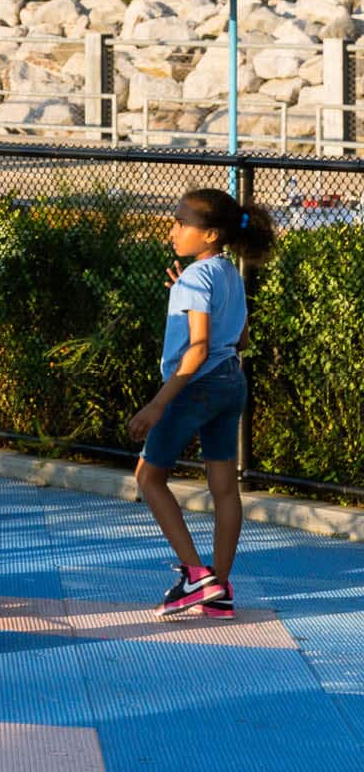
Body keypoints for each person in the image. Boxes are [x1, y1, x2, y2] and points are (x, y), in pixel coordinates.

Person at [130, 187, 275, 621]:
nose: (172, 229)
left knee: (149, 478)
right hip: (232, 383)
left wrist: (156, 406)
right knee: (224, 487)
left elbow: (195, 352)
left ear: (210, 234)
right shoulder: (228, 271)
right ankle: (221, 588)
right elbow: (241, 338)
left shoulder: (196, 279)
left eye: (181, 223)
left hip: (195, 387)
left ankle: (196, 576)